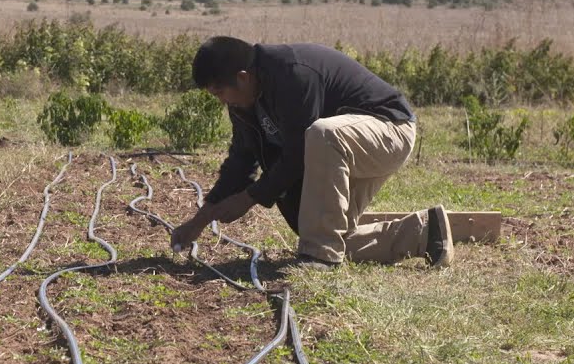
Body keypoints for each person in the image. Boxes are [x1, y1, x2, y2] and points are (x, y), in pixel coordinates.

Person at [169, 36, 452, 270]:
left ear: (242, 78)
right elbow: (241, 162)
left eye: (220, 93)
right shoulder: (244, 103)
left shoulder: (293, 73)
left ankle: (320, 258)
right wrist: (200, 219)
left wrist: (249, 198)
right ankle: (426, 233)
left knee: (321, 134)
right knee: (319, 230)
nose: (222, 102)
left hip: (388, 131)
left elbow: (297, 153)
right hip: (338, 150)